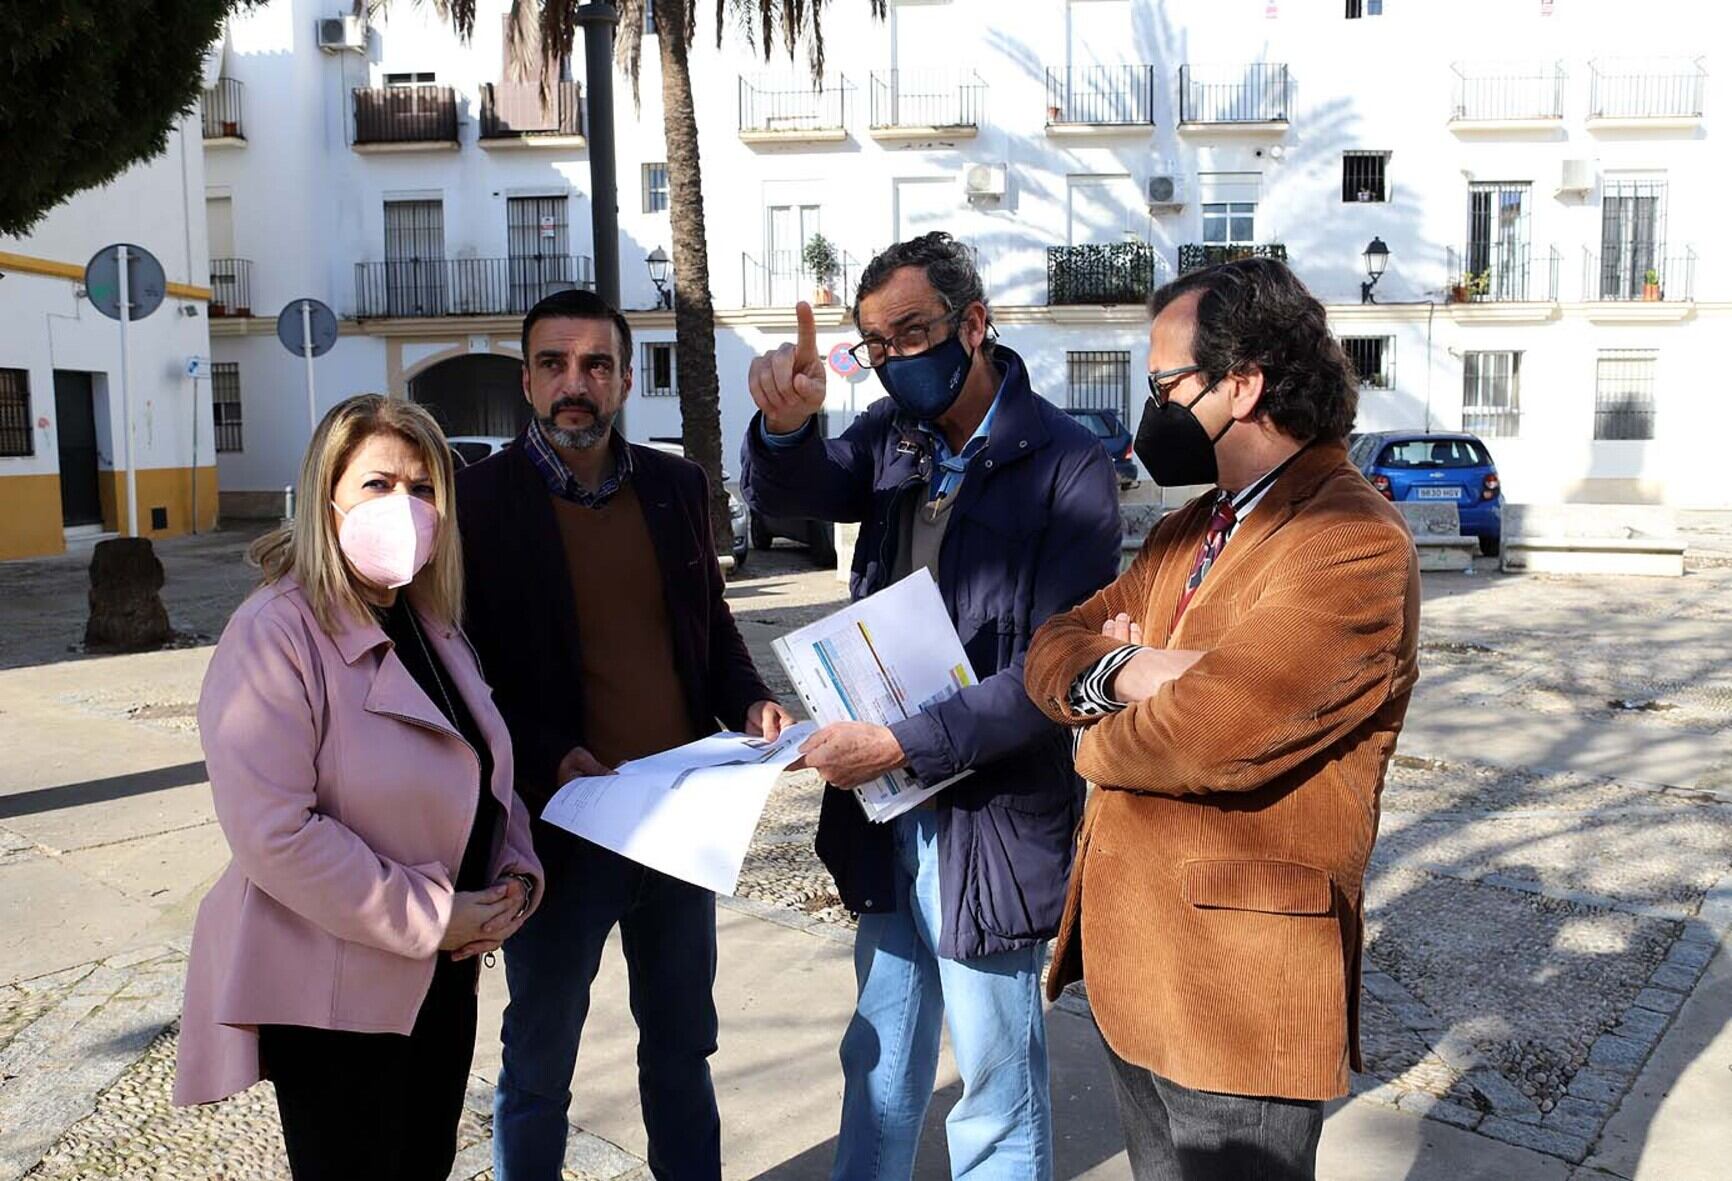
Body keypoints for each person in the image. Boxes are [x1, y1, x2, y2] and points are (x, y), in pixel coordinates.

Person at [1023, 258, 1422, 1180]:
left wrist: (1090, 729)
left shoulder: (1351, 540)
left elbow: (1205, 737)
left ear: (1242, 384)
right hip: (1137, 969)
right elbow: (1050, 648)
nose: (1150, 411)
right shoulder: (1189, 527)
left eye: (1164, 386)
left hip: (1238, 996)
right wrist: (1133, 669)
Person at [740, 231, 1122, 1179]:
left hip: (989, 821)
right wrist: (784, 427)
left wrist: (900, 743)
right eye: (876, 344)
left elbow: (1050, 675)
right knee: (877, 1058)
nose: (893, 359)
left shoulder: (1068, 464)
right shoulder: (892, 437)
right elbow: (805, 487)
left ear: (974, 323)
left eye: (912, 333)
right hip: (888, 810)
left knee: (994, 1084)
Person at [457, 288, 792, 1180]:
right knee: (538, 1065)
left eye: (596, 365)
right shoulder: (476, 501)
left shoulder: (676, 487)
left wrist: (750, 701)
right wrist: (542, 753)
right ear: (527, 380)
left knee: (682, 1049)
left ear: (626, 379)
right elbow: (464, 672)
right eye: (555, 365)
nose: (576, 384)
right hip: (559, 829)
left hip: (678, 826)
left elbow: (711, 629)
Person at [174, 394, 544, 1180]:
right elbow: (275, 832)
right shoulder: (275, 632)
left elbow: (481, 765)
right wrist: (435, 915)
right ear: (327, 496)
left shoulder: (431, 622)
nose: (404, 506)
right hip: (337, 998)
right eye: (378, 483)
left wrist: (514, 873)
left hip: (440, 982)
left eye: (423, 487)